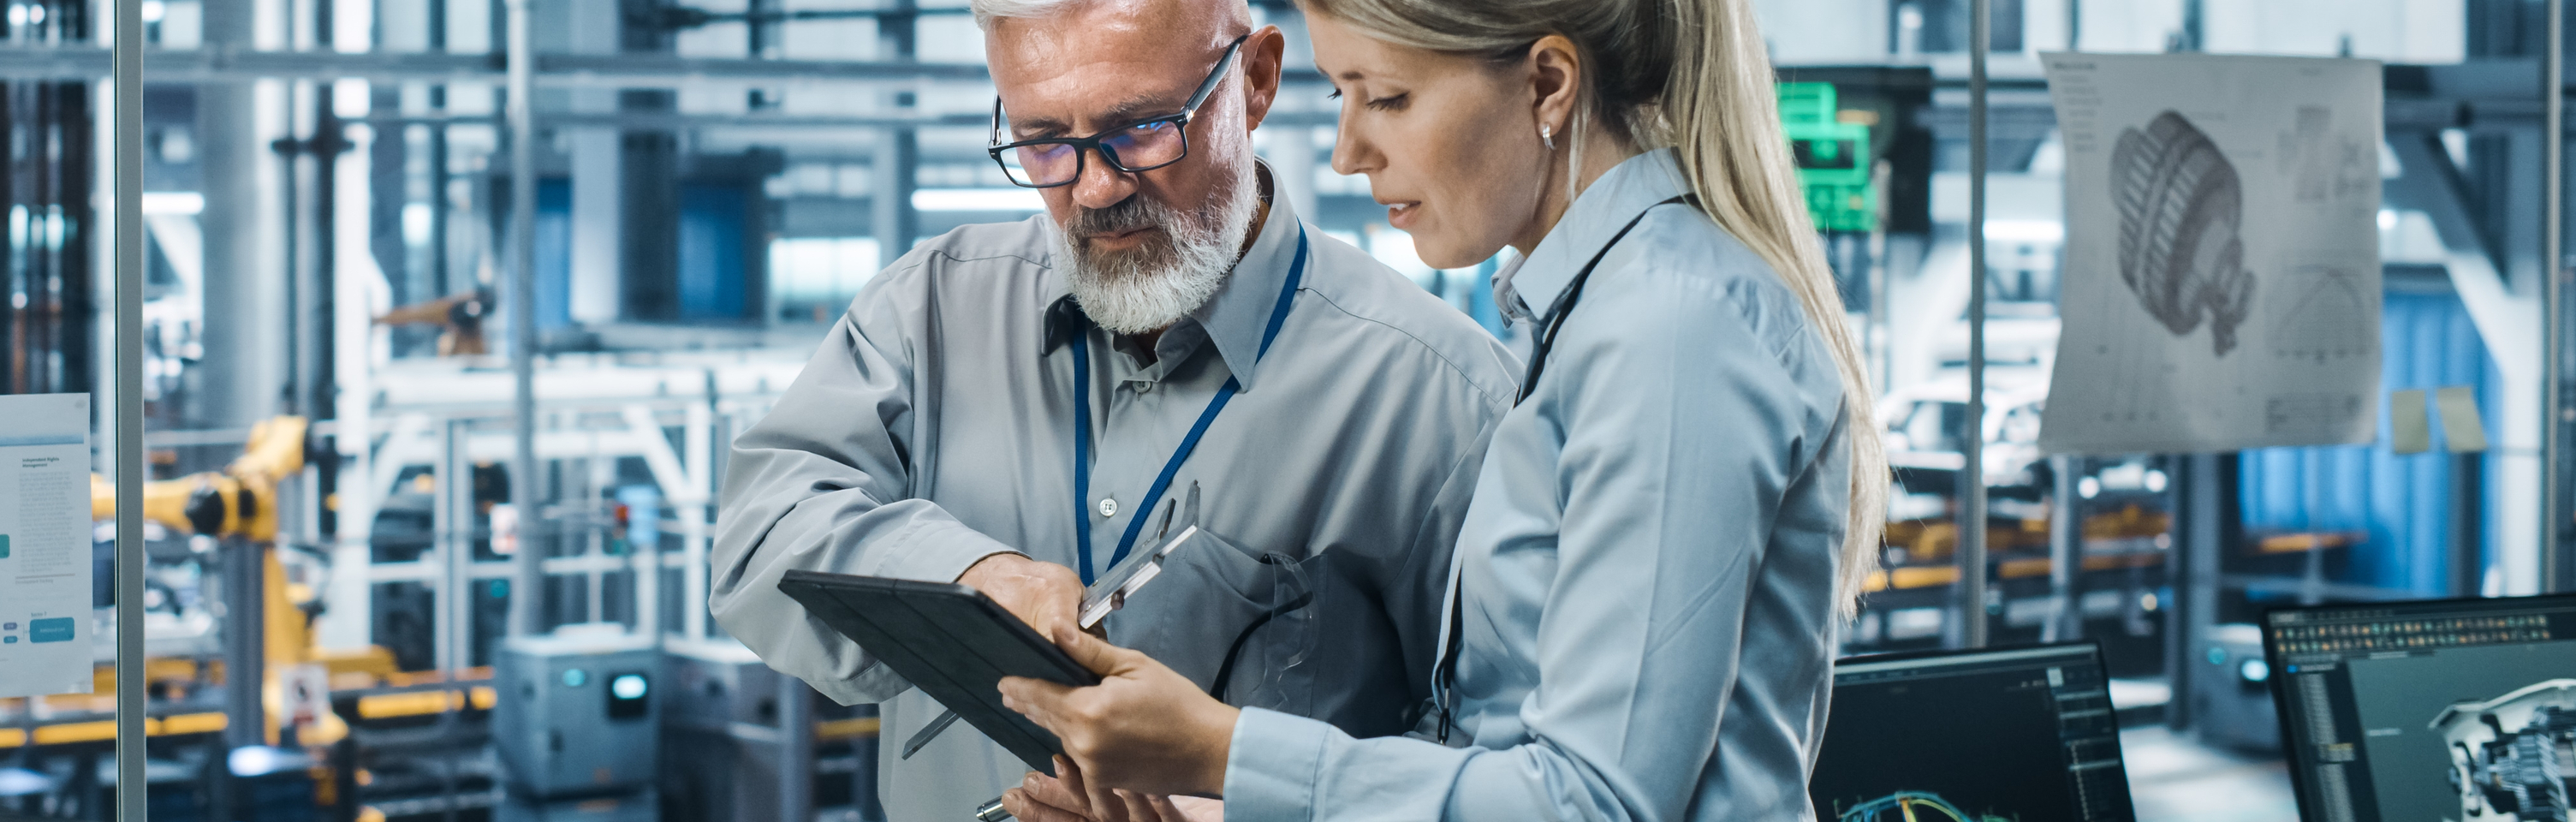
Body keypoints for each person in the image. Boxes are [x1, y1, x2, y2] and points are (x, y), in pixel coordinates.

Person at [992, 0, 1888, 818]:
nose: (1349, 152)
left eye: (1385, 98)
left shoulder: (1670, 325)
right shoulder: (1598, 315)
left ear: (1548, 84)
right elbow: (1501, 750)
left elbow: (1594, 801)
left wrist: (1224, 752)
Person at [703, 0, 1522, 815]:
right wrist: (974, 581)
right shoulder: (929, 310)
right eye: (1043, 140)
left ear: (1257, 80)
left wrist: (1246, 804)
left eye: (1141, 129)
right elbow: (760, 534)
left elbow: (1513, 764)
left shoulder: (1445, 398)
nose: (1095, 188)